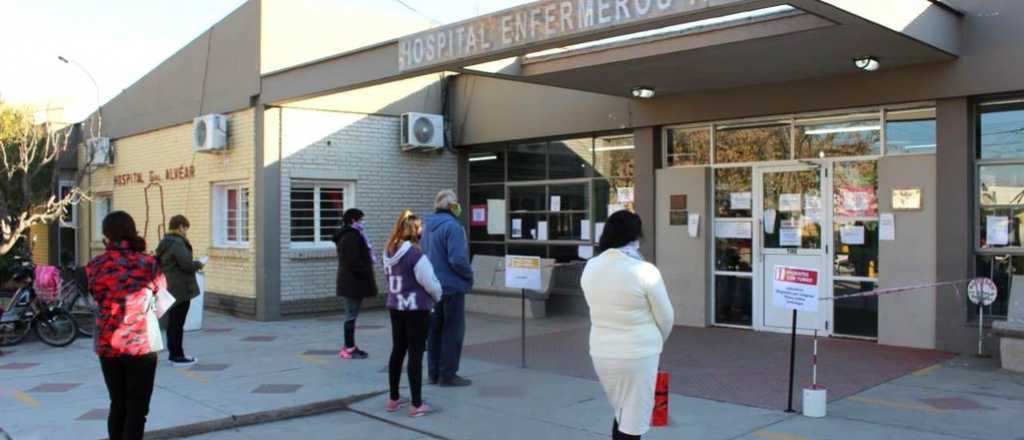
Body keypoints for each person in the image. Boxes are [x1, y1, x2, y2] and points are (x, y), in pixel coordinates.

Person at [580, 211, 674, 440]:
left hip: (602, 353)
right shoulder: (645, 271)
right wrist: (654, 341)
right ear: (636, 235)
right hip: (638, 355)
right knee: (633, 422)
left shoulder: (591, 267)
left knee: (622, 412)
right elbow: (666, 317)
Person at [86, 211, 165, 440]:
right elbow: (162, 296)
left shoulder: (94, 266)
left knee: (118, 404)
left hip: (108, 345)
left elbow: (95, 296)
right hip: (140, 345)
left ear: (106, 235)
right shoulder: (148, 263)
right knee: (137, 409)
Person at [382, 210, 442, 417]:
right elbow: (430, 283)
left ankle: (393, 398)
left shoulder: (388, 252)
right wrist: (438, 295)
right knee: (416, 354)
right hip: (416, 309)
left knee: (398, 350)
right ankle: (416, 404)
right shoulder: (416, 255)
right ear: (416, 231)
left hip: (395, 306)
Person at [422, 189, 474, 387]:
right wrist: (469, 275)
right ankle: (448, 374)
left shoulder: (427, 227)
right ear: (452, 207)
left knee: (434, 331)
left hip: (432, 286)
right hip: (451, 287)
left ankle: (433, 373)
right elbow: (458, 259)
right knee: (452, 331)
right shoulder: (453, 227)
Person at [155, 215, 204, 367]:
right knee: (177, 323)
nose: (186, 232)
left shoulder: (165, 242)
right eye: (185, 228)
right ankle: (177, 355)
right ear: (181, 226)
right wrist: (199, 264)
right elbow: (186, 265)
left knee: (173, 323)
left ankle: (174, 353)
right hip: (180, 288)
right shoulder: (177, 243)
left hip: (169, 287)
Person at [333, 208, 378, 359]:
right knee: (351, 315)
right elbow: (353, 261)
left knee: (352, 315)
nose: (362, 222)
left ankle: (350, 346)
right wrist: (365, 272)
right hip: (352, 283)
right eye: (360, 219)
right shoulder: (351, 237)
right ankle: (349, 348)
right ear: (353, 220)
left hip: (351, 282)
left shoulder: (350, 235)